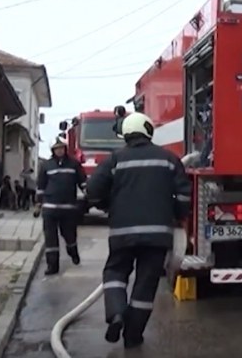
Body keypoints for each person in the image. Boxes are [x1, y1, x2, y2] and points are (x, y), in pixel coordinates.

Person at [86, 112, 192, 350]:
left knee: (115, 273)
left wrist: (106, 205)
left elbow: (93, 190)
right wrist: (176, 214)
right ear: (148, 130)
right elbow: (184, 193)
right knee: (146, 283)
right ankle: (133, 335)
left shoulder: (115, 159)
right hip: (157, 235)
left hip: (122, 233)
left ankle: (116, 314)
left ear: (126, 134)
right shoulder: (168, 159)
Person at [36, 138, 86, 276]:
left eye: (62, 148)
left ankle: (73, 251)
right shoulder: (47, 165)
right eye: (57, 148)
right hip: (50, 207)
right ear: (53, 150)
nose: (59, 151)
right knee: (50, 238)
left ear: (65, 149)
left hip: (68, 208)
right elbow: (41, 186)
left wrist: (89, 194)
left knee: (69, 235)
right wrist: (38, 204)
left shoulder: (74, 164)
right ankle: (52, 266)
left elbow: (82, 181)